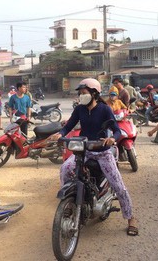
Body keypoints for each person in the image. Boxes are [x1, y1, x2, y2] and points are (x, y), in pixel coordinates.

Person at [50, 78, 138, 236]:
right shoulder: (79, 109)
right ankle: (70, 203)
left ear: (94, 94)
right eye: (80, 93)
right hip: (84, 149)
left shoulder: (104, 109)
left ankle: (130, 218)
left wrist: (112, 139)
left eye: (84, 93)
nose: (81, 96)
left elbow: (116, 130)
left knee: (118, 185)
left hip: (102, 151)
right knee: (65, 169)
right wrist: (60, 134)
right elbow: (69, 126)